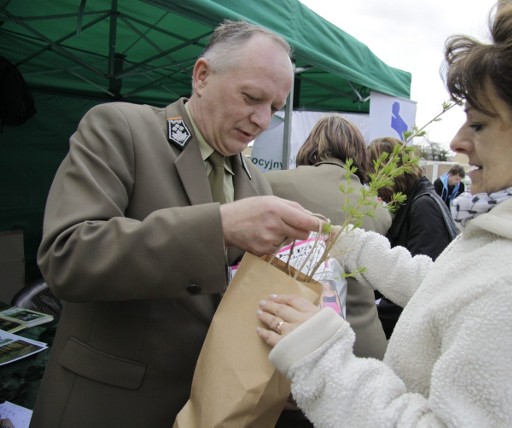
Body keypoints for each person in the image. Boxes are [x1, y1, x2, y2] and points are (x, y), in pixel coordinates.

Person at [255, 2, 512, 426]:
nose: (457, 141)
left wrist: (318, 354)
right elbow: (445, 290)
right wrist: (344, 239)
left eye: (478, 124)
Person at [30, 20, 321, 427]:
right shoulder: (120, 128)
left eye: (274, 108)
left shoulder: (257, 181)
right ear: (202, 76)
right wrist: (218, 227)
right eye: (251, 97)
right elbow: (68, 254)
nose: (260, 120)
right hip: (109, 407)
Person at [265, 114, 391, 427]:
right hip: (360, 342)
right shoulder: (377, 208)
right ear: (358, 153)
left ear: (312, 144)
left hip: (293, 333)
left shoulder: (275, 184)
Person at [368, 137, 458, 338]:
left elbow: (424, 284)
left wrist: (370, 319)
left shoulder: (423, 207)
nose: (371, 186)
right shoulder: (414, 203)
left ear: (387, 173)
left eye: (372, 176)